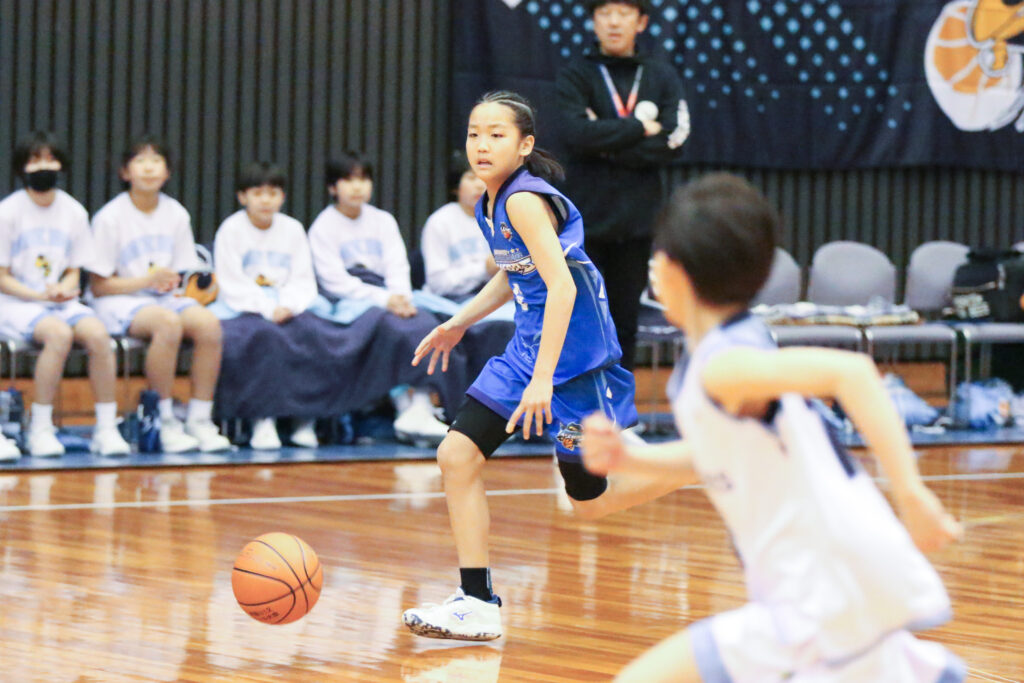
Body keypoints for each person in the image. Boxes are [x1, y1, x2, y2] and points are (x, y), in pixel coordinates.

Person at [581, 174, 966, 682]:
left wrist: (911, 493)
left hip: (819, 595)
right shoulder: (732, 346)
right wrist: (632, 458)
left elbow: (851, 372)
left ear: (672, 270)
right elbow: (721, 450)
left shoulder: (724, 366)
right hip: (827, 591)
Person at [402, 91, 695, 641]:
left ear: (525, 145)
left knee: (588, 504)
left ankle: (704, 462)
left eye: (497, 135)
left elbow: (562, 287)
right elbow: (515, 272)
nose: (482, 144)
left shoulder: (523, 200)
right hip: (529, 350)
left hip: (575, 363)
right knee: (457, 454)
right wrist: (458, 322)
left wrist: (543, 379)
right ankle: (476, 601)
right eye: (474, 133)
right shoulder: (490, 203)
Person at [555, 0, 689, 371]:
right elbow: (575, 134)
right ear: (593, 21)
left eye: (624, 14)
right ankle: (579, 405)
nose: (614, 22)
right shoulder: (577, 74)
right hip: (585, 223)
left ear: (641, 22)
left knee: (625, 323)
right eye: (605, 13)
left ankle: (620, 405)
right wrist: (639, 129)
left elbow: (674, 140)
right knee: (581, 323)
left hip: (638, 223)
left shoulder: (661, 75)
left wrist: (605, 141)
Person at [88, 135, 230, 453]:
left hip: (161, 299)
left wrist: (173, 284)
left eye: (156, 160)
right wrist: (147, 281)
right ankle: (161, 418)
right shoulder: (110, 217)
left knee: (209, 325)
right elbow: (99, 285)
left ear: (167, 172)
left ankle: (199, 419)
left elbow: (183, 273)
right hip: (117, 301)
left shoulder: (176, 214)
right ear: (125, 172)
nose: (149, 168)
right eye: (140, 160)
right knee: (168, 324)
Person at [0, 131, 130, 457]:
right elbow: (2, 277)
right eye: (35, 160)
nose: (44, 166)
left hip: (58, 300)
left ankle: (105, 428)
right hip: (16, 302)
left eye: (50, 159)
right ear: (22, 167)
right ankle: (40, 428)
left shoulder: (73, 211)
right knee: (58, 335)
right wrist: (37, 296)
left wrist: (65, 288)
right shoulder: (8, 212)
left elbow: (75, 269)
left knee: (98, 336)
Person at [308, 151, 450, 445]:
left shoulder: (383, 221)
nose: (357, 187)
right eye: (348, 180)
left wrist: (400, 297)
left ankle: (420, 406)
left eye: (363, 179)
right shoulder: (323, 226)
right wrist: (385, 300)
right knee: (391, 327)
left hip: (390, 295)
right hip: (350, 300)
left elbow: (398, 266)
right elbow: (333, 281)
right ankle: (404, 406)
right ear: (333, 187)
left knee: (424, 323)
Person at [213, 162, 319, 450]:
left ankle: (305, 419)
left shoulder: (293, 229)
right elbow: (231, 282)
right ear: (242, 196)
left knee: (313, 332)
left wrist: (288, 305)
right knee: (265, 337)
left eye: (272, 193)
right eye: (257, 193)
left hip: (287, 305)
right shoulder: (231, 230)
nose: (265, 200)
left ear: (282, 197)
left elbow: (303, 279)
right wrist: (267, 309)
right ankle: (263, 419)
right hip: (243, 307)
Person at [420, 154, 496, 300]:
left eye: (485, 178)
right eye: (471, 178)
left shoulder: (502, 219)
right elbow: (437, 284)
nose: (480, 185)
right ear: (456, 186)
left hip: (495, 299)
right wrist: (484, 268)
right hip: (450, 301)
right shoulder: (440, 222)